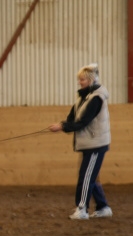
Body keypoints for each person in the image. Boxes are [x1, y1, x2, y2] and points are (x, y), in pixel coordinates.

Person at [48, 63, 113, 220]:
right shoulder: (83, 97)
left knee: (86, 177)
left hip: (95, 144)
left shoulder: (96, 98)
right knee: (91, 176)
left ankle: (82, 209)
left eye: (82, 79)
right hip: (89, 143)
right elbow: (73, 117)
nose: (79, 82)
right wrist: (63, 124)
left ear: (90, 80)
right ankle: (103, 207)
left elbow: (83, 121)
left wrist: (63, 127)